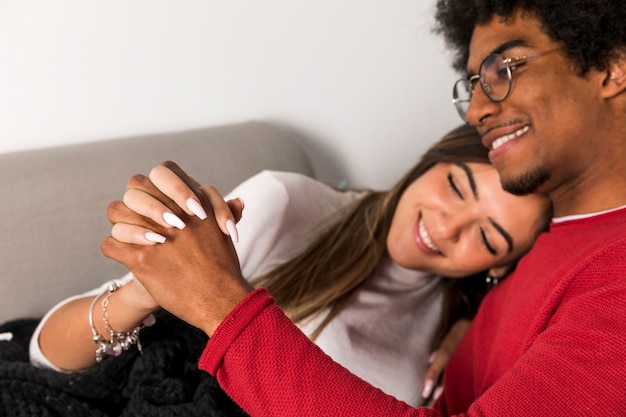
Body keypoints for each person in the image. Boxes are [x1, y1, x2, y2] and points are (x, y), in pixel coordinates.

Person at [100, 0, 626, 415]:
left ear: (610, 66)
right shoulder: (554, 230)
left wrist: (218, 302)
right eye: (473, 83)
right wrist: (475, 335)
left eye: (503, 69)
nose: (479, 109)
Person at [31, 124, 549, 408]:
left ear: (502, 267)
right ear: (433, 158)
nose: (447, 225)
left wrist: (470, 326)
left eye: (487, 235)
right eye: (457, 186)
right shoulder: (285, 204)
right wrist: (146, 291)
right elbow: (45, 357)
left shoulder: (456, 345)